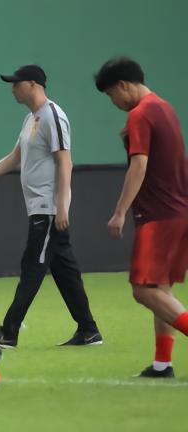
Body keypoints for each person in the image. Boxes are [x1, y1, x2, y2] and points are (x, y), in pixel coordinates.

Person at [0, 65, 101, 347]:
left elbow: (65, 162)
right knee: (65, 270)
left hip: (48, 209)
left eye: (16, 83)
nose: (13, 88)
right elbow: (15, 158)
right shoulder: (31, 119)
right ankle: (89, 330)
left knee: (32, 266)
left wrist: (61, 206)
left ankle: (8, 332)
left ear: (34, 84)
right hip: (40, 208)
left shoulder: (53, 115)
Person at [95, 57, 188, 378]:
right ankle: (163, 364)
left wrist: (120, 211)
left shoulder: (140, 114)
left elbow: (139, 165)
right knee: (160, 288)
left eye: (111, 94)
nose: (114, 102)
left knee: (143, 290)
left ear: (123, 85)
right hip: (179, 211)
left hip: (158, 216)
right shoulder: (165, 108)